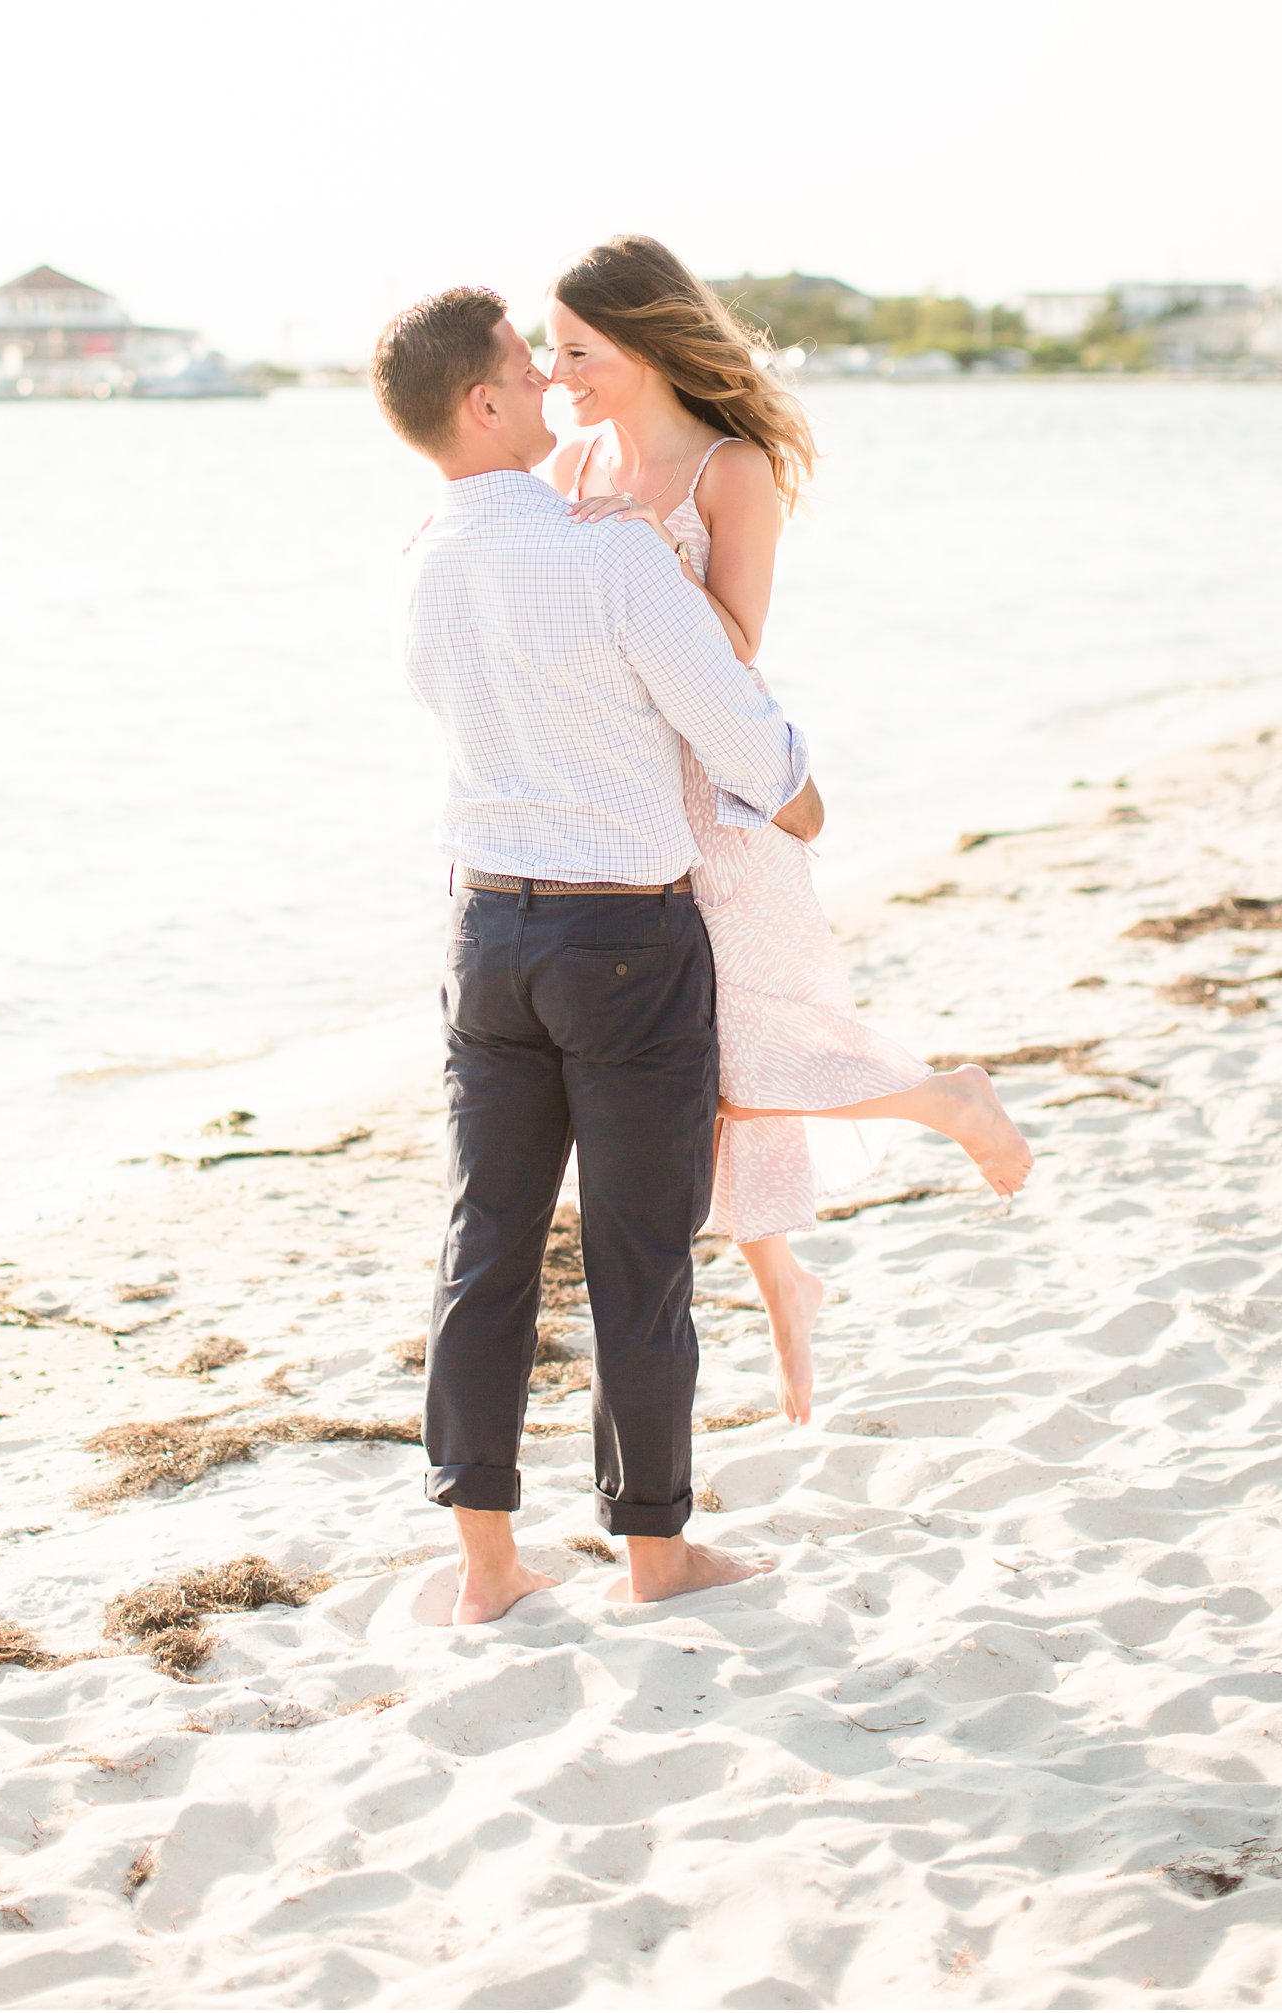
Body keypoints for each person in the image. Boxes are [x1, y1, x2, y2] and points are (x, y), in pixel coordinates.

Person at [371, 285, 822, 1624]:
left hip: (485, 931)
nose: (548, 382)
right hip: (622, 932)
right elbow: (735, 728)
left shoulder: (417, 559)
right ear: (483, 402)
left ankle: (489, 1569)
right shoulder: (607, 553)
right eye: (526, 363)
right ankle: (653, 1552)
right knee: (637, 1250)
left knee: (487, 1242)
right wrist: (799, 798)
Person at [544, 235, 1033, 1425]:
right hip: (616, 801)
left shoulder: (730, 467)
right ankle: (786, 1292)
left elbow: (737, 643)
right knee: (694, 1078)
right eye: (549, 352)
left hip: (719, 801)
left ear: (644, 341)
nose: (558, 375)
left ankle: (942, 1098)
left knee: (734, 1051)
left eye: (575, 350)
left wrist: (631, 541)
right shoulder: (568, 458)